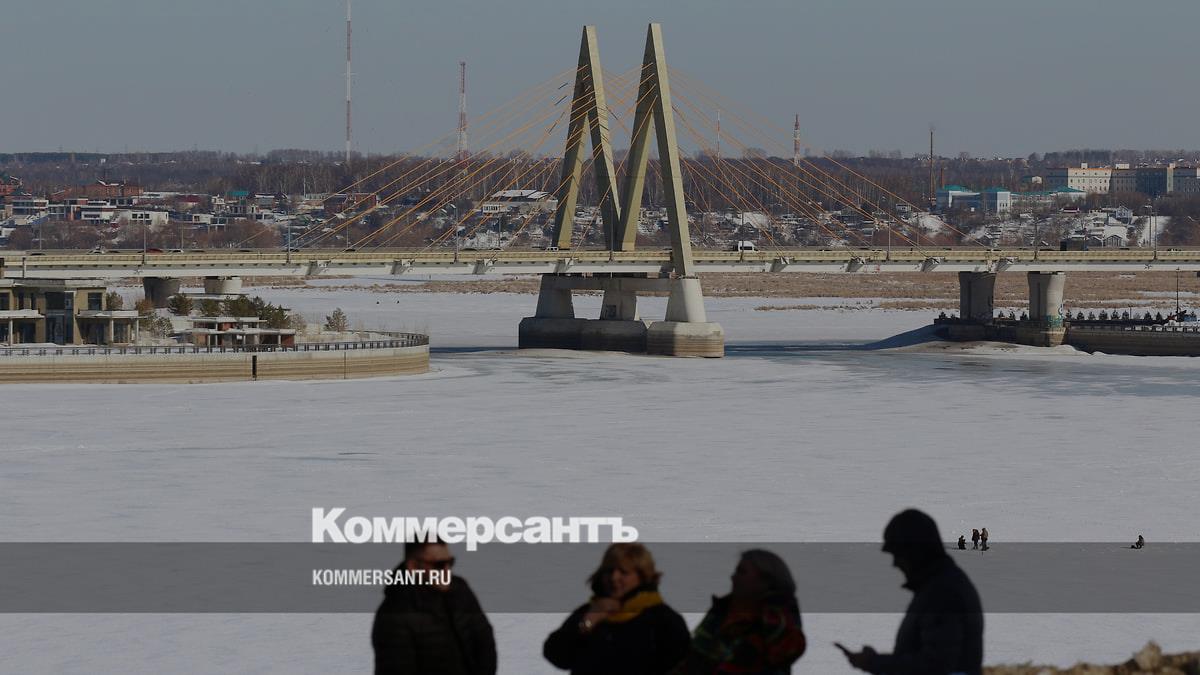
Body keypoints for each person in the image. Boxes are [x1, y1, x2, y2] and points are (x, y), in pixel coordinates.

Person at [838, 509, 983, 675]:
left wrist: (874, 662)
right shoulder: (939, 585)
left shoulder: (943, 593)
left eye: (898, 555)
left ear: (915, 552)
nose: (895, 564)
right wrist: (875, 662)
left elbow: (934, 667)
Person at [544, 543, 690, 675]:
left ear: (642, 576)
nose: (614, 577)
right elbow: (557, 656)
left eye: (623, 572)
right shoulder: (590, 611)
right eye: (609, 571)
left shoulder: (664, 620)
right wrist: (588, 622)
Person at [372, 541, 496, 675]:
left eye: (450, 562)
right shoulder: (393, 614)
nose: (447, 571)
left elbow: (484, 640)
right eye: (439, 565)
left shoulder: (460, 589)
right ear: (413, 566)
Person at [676, 549, 807, 674]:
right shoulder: (723, 610)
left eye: (741, 572)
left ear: (766, 581)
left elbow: (784, 651)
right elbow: (694, 658)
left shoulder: (777, 622)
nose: (733, 577)